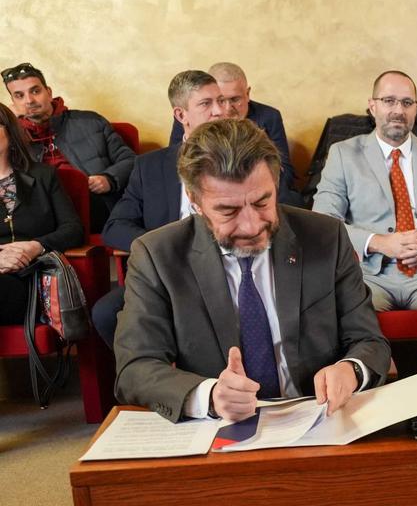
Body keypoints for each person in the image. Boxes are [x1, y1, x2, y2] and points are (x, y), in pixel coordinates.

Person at [114, 118, 391, 423]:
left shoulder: (326, 236)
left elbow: (369, 340)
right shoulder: (157, 256)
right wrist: (209, 396)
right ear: (195, 201)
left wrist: (351, 370)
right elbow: (135, 368)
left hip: (319, 416)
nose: (251, 225)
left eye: (262, 202)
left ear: (276, 182)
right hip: (219, 426)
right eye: (228, 210)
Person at [312, 70, 417, 315]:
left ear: (416, 109)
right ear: (373, 106)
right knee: (346, 318)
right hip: (369, 275)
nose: (398, 110)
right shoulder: (343, 154)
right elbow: (323, 221)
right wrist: (379, 243)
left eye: (407, 102)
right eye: (389, 101)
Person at [91, 70, 228, 347]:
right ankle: (147, 371)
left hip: (227, 267)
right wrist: (162, 248)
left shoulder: (245, 156)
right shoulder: (150, 166)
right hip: (168, 270)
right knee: (106, 313)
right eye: (206, 104)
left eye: (221, 101)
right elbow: (115, 227)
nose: (219, 111)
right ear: (181, 114)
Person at [3, 62, 135, 232]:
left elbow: (130, 160)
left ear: (49, 92)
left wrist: (109, 179)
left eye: (35, 91)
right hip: (41, 218)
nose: (29, 101)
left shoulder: (91, 122)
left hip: (95, 206)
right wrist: (10, 123)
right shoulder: (10, 136)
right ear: (13, 103)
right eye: (19, 96)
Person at [167, 62, 302, 205]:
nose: (225, 109)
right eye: (221, 100)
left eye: (234, 99)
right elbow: (173, 165)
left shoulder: (269, 116)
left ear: (247, 94)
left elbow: (285, 170)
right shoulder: (190, 119)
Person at [0, 104, 84, 323]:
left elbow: (73, 229)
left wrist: (35, 246)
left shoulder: (44, 175)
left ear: (10, 131)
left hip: (33, 277)